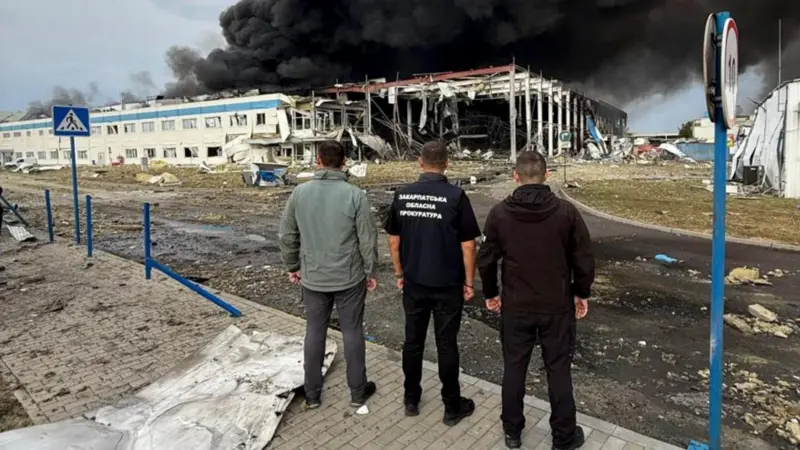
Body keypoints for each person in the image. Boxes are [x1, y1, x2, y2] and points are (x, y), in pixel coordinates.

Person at [477, 150, 595, 450]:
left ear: (515, 176)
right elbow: (583, 257)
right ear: (548, 175)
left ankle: (512, 432)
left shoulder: (500, 213)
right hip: (557, 304)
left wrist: (491, 293)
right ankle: (563, 438)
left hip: (517, 305)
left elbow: (487, 260)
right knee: (558, 370)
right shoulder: (566, 212)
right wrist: (582, 292)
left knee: (514, 367)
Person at [384, 141, 482, 426]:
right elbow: (469, 246)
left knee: (412, 343)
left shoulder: (402, 196)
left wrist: (400, 274)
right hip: (447, 284)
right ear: (447, 164)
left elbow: (393, 241)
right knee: (447, 345)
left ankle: (411, 399)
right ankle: (452, 407)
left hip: (414, 283)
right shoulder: (456, 196)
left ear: (419, 162)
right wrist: (468, 282)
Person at [278, 140, 379, 409]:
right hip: (349, 277)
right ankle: (358, 392)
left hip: (313, 277)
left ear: (318, 161)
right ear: (344, 162)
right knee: (352, 332)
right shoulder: (355, 195)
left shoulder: (299, 193)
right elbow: (367, 239)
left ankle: (312, 395)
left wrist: (293, 266)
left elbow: (287, 235)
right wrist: (370, 270)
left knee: (314, 332)